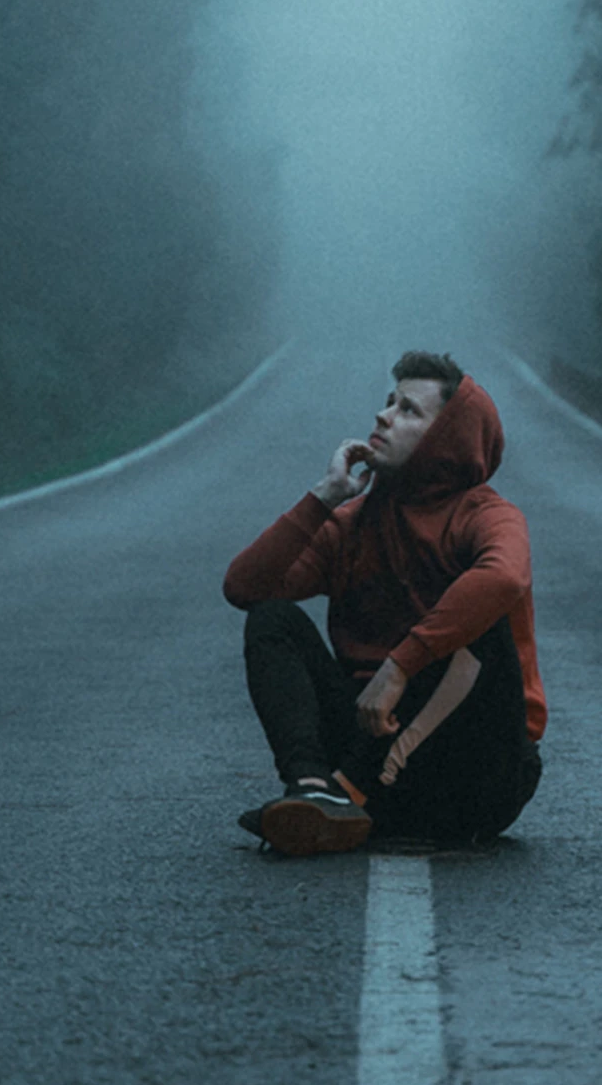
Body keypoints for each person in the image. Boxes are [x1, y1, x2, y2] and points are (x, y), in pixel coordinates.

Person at [223, 350, 546, 855]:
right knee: (273, 619)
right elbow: (244, 587)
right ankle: (313, 789)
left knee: (483, 616)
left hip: (472, 776)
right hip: (368, 745)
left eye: (408, 410)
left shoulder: (486, 516)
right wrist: (323, 498)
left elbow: (504, 578)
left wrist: (398, 668)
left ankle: (347, 793)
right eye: (388, 402)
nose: (383, 415)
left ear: (446, 439)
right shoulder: (352, 523)